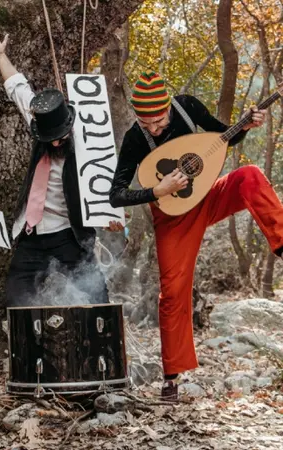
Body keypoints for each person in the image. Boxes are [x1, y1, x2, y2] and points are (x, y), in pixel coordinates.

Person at [109, 70, 283, 401]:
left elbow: (223, 137)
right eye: (147, 123)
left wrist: (245, 125)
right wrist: (155, 190)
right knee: (173, 292)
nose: (155, 128)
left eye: (159, 120)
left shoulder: (187, 107)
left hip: (209, 196)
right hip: (172, 218)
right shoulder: (135, 139)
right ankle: (172, 377)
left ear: (167, 108)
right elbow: (115, 195)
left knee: (249, 176)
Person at [0, 31, 123, 308]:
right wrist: (0, 56)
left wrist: (112, 217)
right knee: (15, 297)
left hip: (69, 232)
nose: (56, 142)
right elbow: (18, 88)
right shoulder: (41, 122)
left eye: (61, 136)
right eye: (49, 138)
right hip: (31, 234)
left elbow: (104, 178)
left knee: (95, 296)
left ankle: (102, 345)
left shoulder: (86, 141)